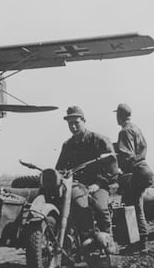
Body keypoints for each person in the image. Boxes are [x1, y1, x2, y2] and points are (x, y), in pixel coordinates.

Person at [56, 106, 118, 253]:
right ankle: (79, 240)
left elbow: (112, 165)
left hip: (98, 184)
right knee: (71, 207)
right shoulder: (67, 145)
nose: (73, 126)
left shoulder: (99, 140)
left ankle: (109, 240)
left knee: (99, 206)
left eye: (76, 122)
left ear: (84, 121)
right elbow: (60, 167)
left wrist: (99, 183)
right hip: (76, 185)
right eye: (70, 123)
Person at [115, 103, 153, 253]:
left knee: (133, 207)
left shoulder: (124, 131)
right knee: (135, 205)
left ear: (119, 116)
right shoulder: (136, 128)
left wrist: (118, 164)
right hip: (145, 169)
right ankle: (139, 241)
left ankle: (138, 242)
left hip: (136, 171)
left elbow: (128, 155)